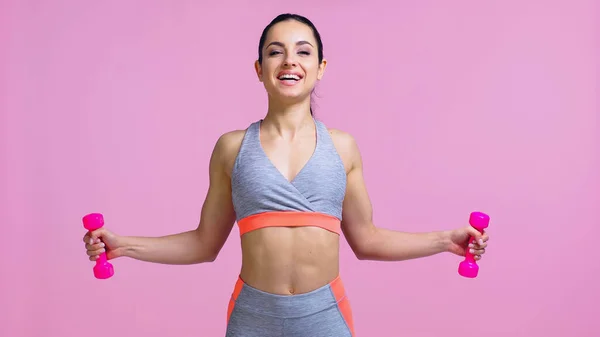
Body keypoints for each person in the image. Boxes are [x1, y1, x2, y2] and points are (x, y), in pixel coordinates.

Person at [82, 13, 490, 337]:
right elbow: (204, 244)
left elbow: (367, 240)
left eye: (303, 51)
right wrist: (124, 245)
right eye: (275, 52)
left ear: (320, 67)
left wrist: (443, 241)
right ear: (259, 69)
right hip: (253, 318)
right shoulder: (231, 147)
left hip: (325, 317)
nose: (290, 60)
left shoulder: (343, 147)